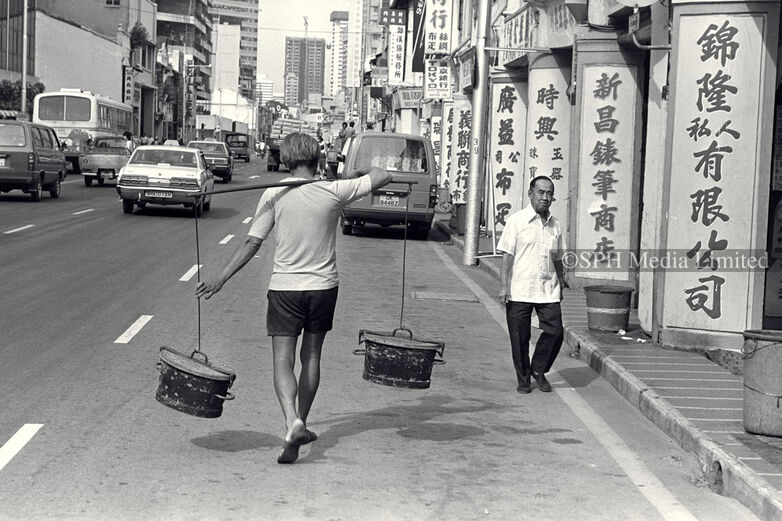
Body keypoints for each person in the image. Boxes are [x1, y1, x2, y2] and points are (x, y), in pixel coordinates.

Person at [195, 133, 392, 464]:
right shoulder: (335, 190)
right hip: (323, 288)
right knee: (311, 358)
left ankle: (291, 422)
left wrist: (220, 279)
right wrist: (358, 172)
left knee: (282, 361)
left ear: (285, 160)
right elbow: (383, 175)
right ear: (317, 159)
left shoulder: (275, 193)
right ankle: (300, 422)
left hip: (286, 288)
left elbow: (251, 244)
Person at [497, 176, 568, 394]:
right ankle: (523, 379)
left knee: (556, 332)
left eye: (549, 194)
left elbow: (557, 256)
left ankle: (538, 369)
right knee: (520, 338)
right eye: (541, 192)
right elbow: (507, 256)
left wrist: (561, 279)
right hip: (520, 288)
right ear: (530, 193)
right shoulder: (516, 221)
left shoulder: (555, 224)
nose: (545, 198)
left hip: (548, 288)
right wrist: (503, 285)